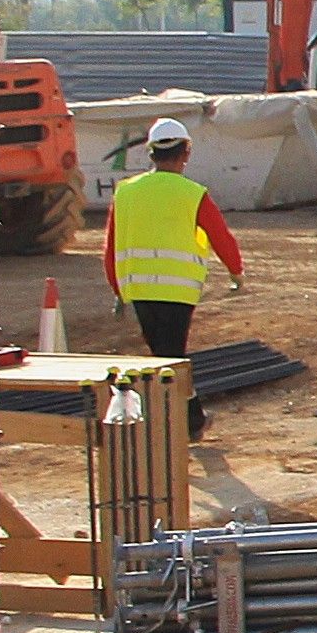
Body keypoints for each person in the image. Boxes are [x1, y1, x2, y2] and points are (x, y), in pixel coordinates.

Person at [103, 117, 244, 428]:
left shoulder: (125, 192)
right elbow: (221, 236)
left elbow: (111, 247)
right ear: (186, 152)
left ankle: (184, 418)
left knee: (164, 354)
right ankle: (183, 421)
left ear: (151, 153)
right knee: (171, 356)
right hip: (178, 291)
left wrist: (117, 289)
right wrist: (236, 272)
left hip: (138, 289)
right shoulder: (192, 193)